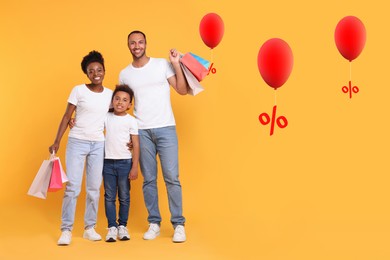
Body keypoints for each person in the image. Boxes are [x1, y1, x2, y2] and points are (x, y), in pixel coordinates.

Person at [119, 30, 188, 243]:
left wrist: (176, 63)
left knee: (171, 178)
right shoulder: (124, 74)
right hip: (141, 132)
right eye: (133, 43)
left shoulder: (161, 65)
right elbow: (121, 104)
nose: (137, 46)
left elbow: (182, 90)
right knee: (149, 180)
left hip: (166, 127)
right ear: (128, 46)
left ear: (146, 44)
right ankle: (154, 223)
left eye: (140, 42)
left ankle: (178, 225)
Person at [49, 50, 113, 245]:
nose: (96, 73)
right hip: (77, 142)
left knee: (94, 188)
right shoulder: (78, 90)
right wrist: (57, 140)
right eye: (91, 70)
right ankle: (66, 230)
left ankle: (89, 228)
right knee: (73, 188)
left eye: (99, 69)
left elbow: (115, 118)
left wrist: (128, 139)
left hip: (98, 144)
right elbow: (67, 116)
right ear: (87, 73)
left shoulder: (110, 94)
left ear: (104, 71)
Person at [103, 84, 139, 242]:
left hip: (125, 162)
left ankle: (122, 226)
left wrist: (135, 166)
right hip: (107, 163)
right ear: (112, 101)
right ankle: (112, 227)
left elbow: (136, 144)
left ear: (130, 105)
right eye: (117, 99)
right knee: (109, 196)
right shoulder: (106, 117)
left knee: (124, 196)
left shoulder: (131, 121)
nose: (120, 102)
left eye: (125, 100)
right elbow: (92, 126)